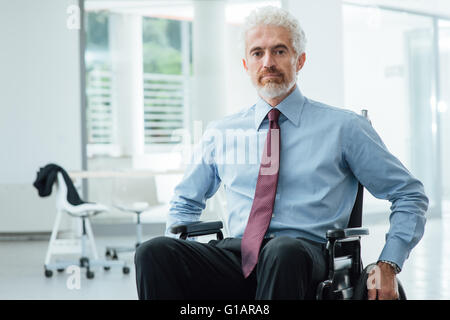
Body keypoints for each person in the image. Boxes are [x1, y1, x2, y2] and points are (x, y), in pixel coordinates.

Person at [135, 6, 428, 300]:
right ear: (245, 63)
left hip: (309, 256)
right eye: (257, 53)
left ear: (299, 60)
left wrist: (388, 263)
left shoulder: (345, 127)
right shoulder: (221, 132)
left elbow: (409, 193)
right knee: (153, 252)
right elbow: (185, 201)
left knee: (282, 250)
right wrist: (179, 252)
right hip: (239, 254)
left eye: (279, 51)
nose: (268, 62)